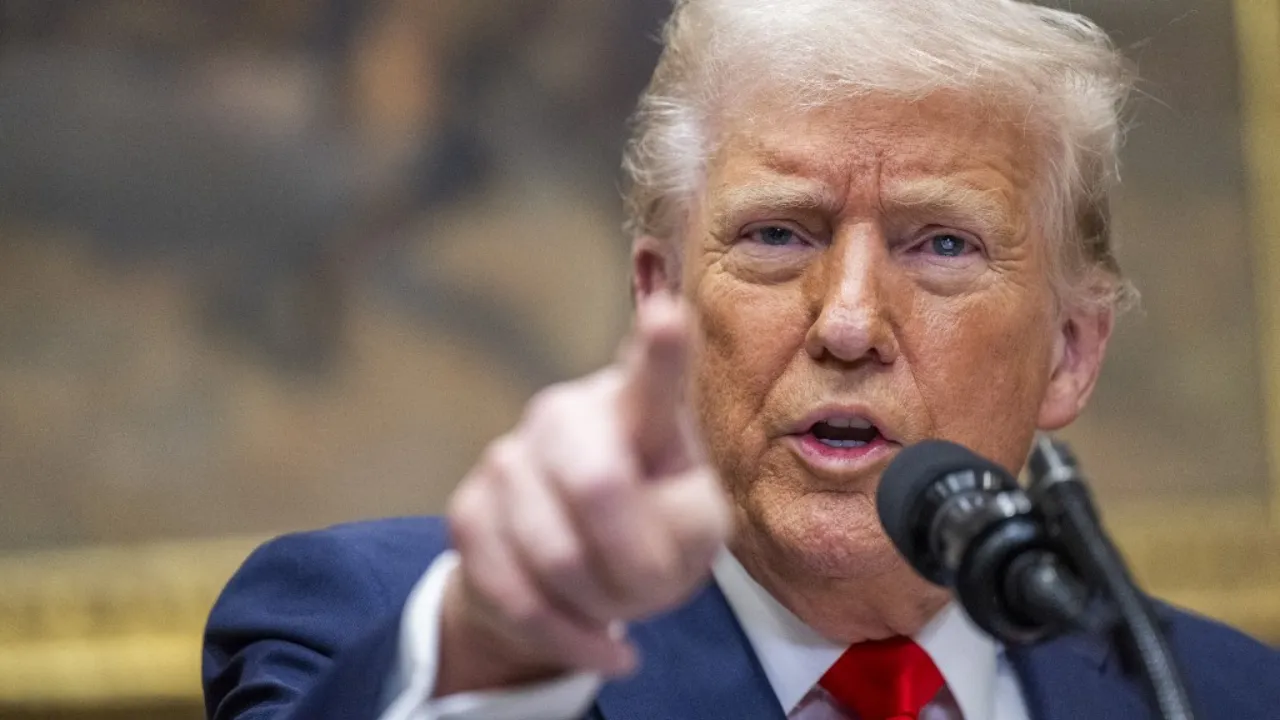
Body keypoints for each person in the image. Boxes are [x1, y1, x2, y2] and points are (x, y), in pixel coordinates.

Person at [202, 1, 1280, 718]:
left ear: (1069, 352)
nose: (847, 321)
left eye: (940, 244)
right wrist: (490, 662)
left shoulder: (1218, 697)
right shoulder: (374, 630)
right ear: (657, 300)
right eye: (779, 234)